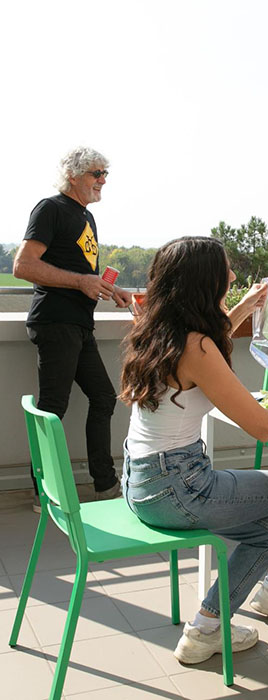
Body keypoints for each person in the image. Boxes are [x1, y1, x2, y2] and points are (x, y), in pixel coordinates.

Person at [120, 236, 268, 664]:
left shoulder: (155, 329)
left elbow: (207, 338)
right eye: (227, 273)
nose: (234, 278)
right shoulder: (197, 347)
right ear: (205, 283)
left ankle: (255, 602)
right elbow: (263, 427)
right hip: (177, 488)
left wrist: (245, 306)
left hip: (142, 482)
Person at [13, 147, 132, 510]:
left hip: (79, 325)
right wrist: (81, 283)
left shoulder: (85, 217)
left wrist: (110, 288)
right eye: (97, 173)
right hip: (55, 322)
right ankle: (43, 492)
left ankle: (104, 484)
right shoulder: (50, 209)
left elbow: (82, 273)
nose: (103, 181)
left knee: (102, 397)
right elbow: (23, 266)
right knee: (52, 407)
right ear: (73, 175)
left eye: (105, 174)